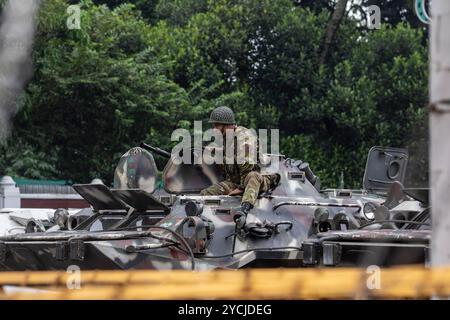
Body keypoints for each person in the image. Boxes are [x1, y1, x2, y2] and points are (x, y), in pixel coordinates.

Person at [200, 106, 279, 228]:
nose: (214, 129)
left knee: (253, 176)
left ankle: (243, 212)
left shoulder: (244, 137)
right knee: (206, 193)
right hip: (237, 181)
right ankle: (203, 223)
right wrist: (213, 151)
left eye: (216, 125)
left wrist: (241, 188)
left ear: (226, 125)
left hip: (258, 179)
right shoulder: (227, 139)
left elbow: (247, 168)